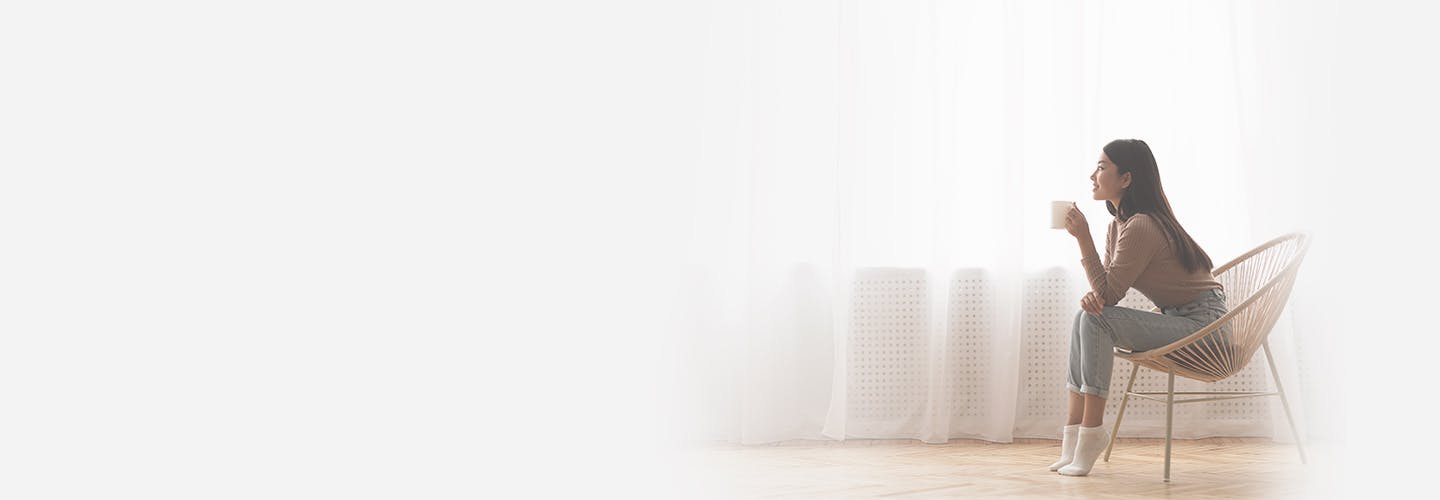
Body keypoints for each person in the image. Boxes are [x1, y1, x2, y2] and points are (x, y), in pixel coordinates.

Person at [1048, 139, 1229, 477]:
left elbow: (1109, 294)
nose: (1093, 175)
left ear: (1126, 179)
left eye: (1102, 167)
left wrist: (1082, 237)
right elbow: (1104, 294)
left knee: (1095, 321)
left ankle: (1091, 435)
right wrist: (1093, 298)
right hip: (1180, 320)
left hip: (1206, 330)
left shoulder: (1142, 225)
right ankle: (1073, 441)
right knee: (1085, 316)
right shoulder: (1120, 226)